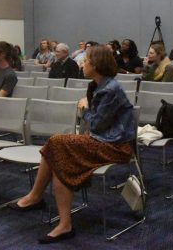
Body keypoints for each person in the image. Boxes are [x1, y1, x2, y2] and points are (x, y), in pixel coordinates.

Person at [9, 45, 135, 244]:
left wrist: (84, 108)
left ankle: (40, 200)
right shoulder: (99, 85)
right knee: (57, 149)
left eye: (86, 61)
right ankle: (56, 216)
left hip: (116, 148)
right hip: (104, 141)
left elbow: (97, 126)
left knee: (57, 144)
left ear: (97, 65)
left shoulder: (110, 89)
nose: (82, 64)